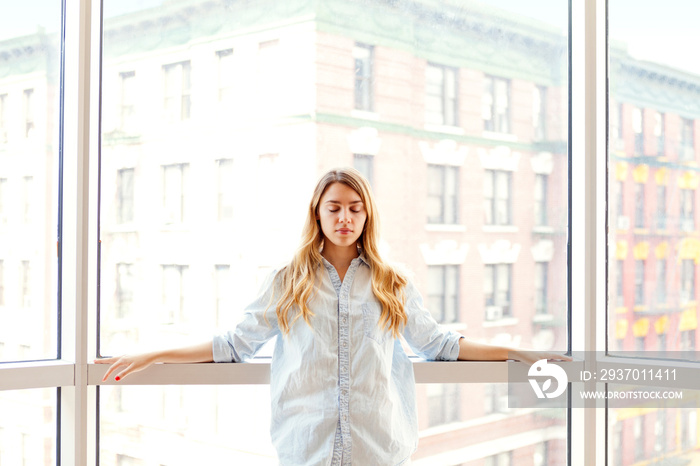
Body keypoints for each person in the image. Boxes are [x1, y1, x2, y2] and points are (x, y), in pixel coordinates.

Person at [96, 167, 570, 465]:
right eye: (335, 208)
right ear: (318, 214)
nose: (345, 218)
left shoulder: (392, 282)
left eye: (355, 209)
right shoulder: (288, 280)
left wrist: (523, 355)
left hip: (379, 450)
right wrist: (152, 354)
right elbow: (233, 345)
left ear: (367, 217)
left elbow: (443, 346)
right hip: (306, 450)